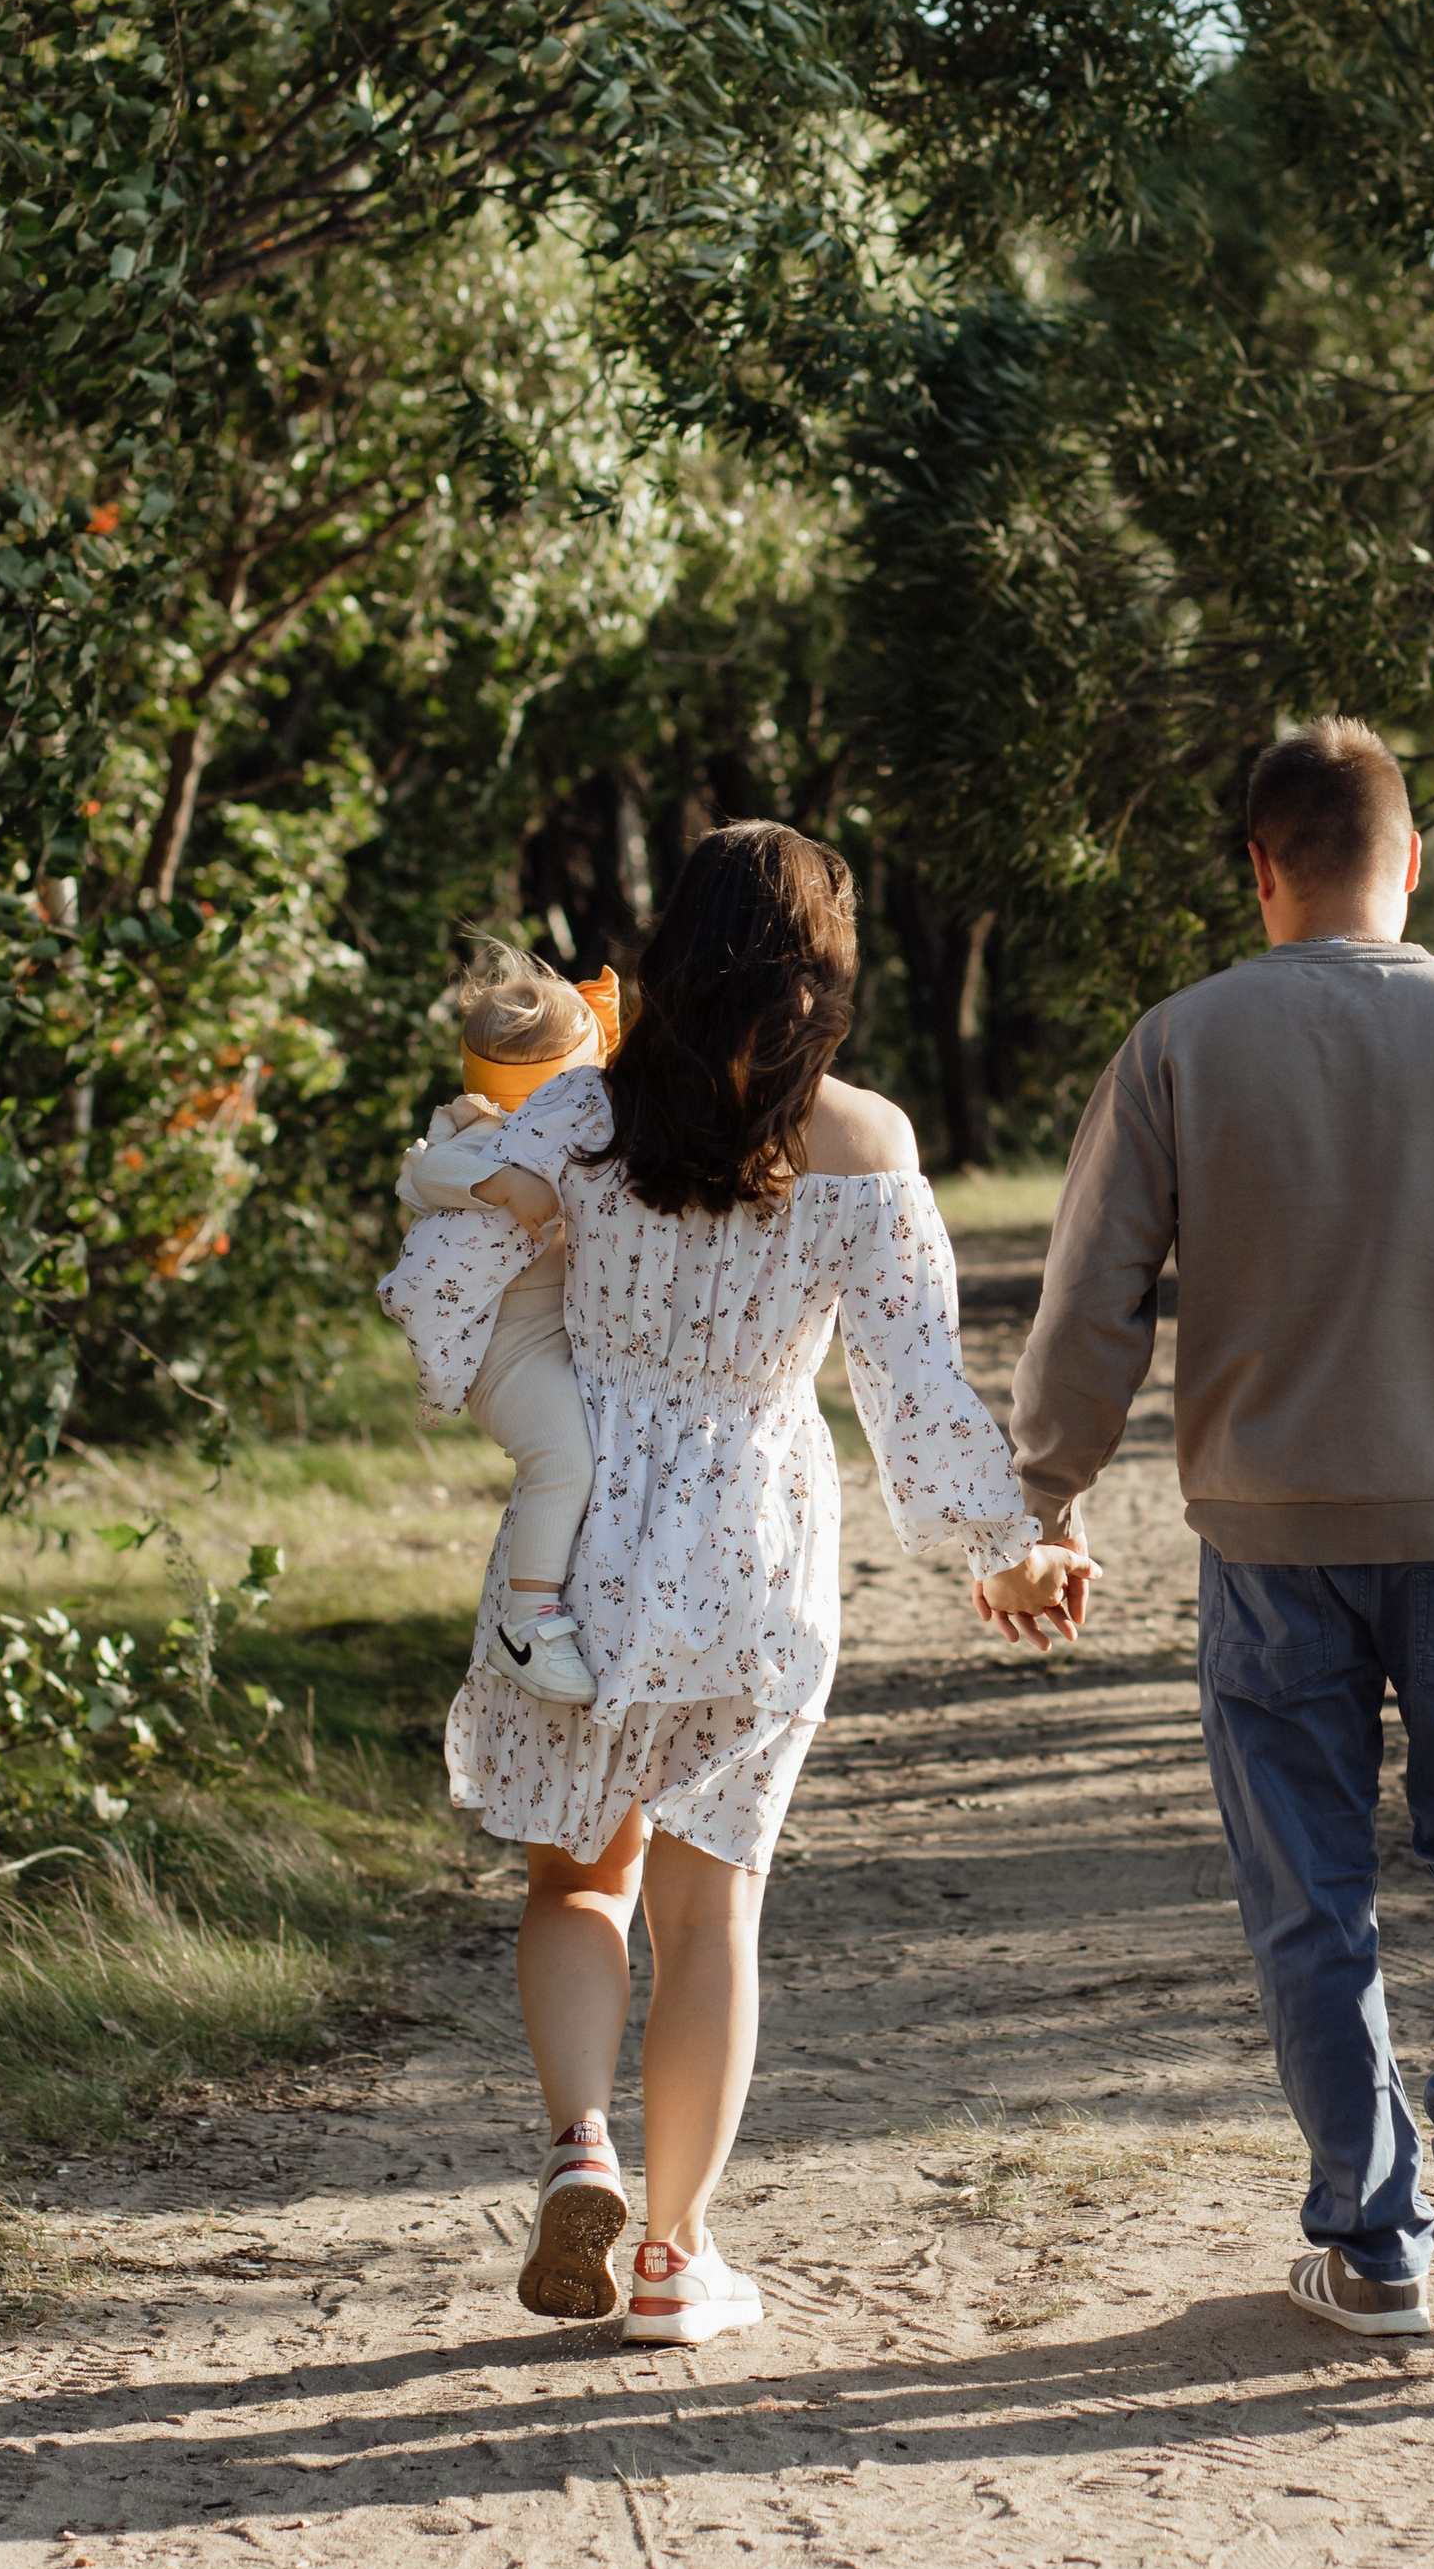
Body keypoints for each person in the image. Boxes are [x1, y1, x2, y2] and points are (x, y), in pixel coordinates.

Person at [1003, 716, 1434, 2347]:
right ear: (1413, 861)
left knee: (1309, 1885)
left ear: (1259, 870)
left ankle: (1370, 2243)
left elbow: (1092, 1304)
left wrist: (1049, 1493)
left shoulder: (1178, 1044)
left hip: (1270, 1542)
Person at [442, 824, 1090, 2346]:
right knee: (710, 1907)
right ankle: (675, 2259)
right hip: (752, 1541)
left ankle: (577, 2153)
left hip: (583, 1529)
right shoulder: (861, 1142)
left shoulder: (578, 1117)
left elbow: (459, 1271)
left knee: (576, 1879)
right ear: (824, 972)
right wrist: (1010, 1552)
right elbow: (915, 1395)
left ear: (671, 947)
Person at [378, 945, 625, 1701]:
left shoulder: (589, 1125)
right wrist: (500, 1181)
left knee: (604, 1465)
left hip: (569, 1342)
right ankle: (530, 1620)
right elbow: (425, 1174)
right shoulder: (476, 1137)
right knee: (564, 1462)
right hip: (508, 1354)